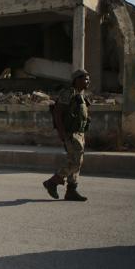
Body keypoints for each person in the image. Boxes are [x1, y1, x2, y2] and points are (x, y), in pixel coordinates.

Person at [43, 69, 91, 202]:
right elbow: (58, 113)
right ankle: (52, 182)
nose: (88, 81)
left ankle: (71, 190)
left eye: (88, 79)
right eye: (85, 79)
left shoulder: (80, 94)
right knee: (75, 162)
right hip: (71, 134)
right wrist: (62, 133)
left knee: (77, 162)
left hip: (79, 133)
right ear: (76, 80)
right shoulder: (68, 93)